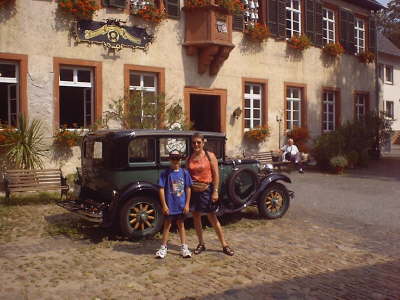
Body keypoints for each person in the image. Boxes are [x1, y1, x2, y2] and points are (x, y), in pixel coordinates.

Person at [187, 132, 234, 256]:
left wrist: (215, 191)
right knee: (196, 217)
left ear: (203, 143)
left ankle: (224, 244)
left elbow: (216, 175)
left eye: (198, 142)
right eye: (194, 142)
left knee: (212, 217)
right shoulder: (190, 157)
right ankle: (201, 243)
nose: (196, 144)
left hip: (206, 189)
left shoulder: (209, 156)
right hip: (193, 190)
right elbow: (187, 175)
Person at [155, 150, 193, 259]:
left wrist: (187, 204)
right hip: (170, 205)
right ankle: (163, 247)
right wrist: (164, 205)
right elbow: (161, 189)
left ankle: (184, 247)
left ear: (181, 160)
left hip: (181, 205)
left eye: (178, 158)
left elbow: (188, 188)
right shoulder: (165, 174)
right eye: (173, 158)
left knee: (181, 225)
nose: (175, 161)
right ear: (169, 159)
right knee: (167, 225)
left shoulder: (185, 173)